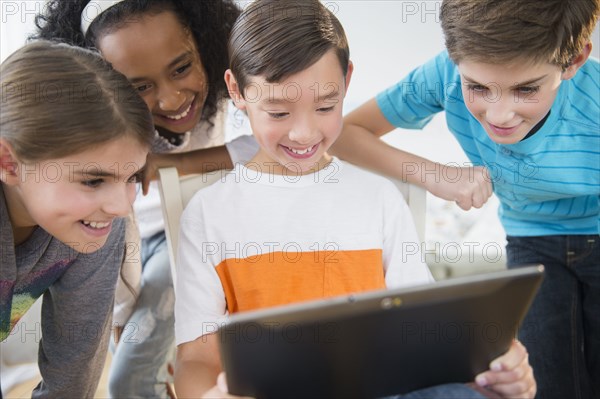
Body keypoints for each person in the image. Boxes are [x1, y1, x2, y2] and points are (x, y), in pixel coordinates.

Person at [173, 1, 536, 398]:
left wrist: (498, 373)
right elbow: (197, 361)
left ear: (347, 81)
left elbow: (429, 345)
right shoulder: (209, 214)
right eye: (277, 112)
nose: (304, 133)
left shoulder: (379, 197)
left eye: (326, 107)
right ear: (236, 91)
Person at [330, 0, 600, 398]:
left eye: (525, 89)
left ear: (573, 61)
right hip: (532, 239)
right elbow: (343, 133)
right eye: (477, 87)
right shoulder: (443, 74)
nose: (500, 114)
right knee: (543, 383)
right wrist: (437, 176)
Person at [33, 1, 258, 397]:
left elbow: (275, 144)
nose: (171, 100)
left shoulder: (229, 85)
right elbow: (106, 243)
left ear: (204, 43)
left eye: (181, 68)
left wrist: (168, 164)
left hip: (188, 240)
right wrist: (121, 326)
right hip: (122, 250)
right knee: (134, 372)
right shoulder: (100, 134)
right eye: (140, 87)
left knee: (130, 379)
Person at [0, 40, 154, 397]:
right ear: (9, 162)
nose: (119, 206)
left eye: (131, 176)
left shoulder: (95, 224)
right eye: (93, 180)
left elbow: (73, 374)